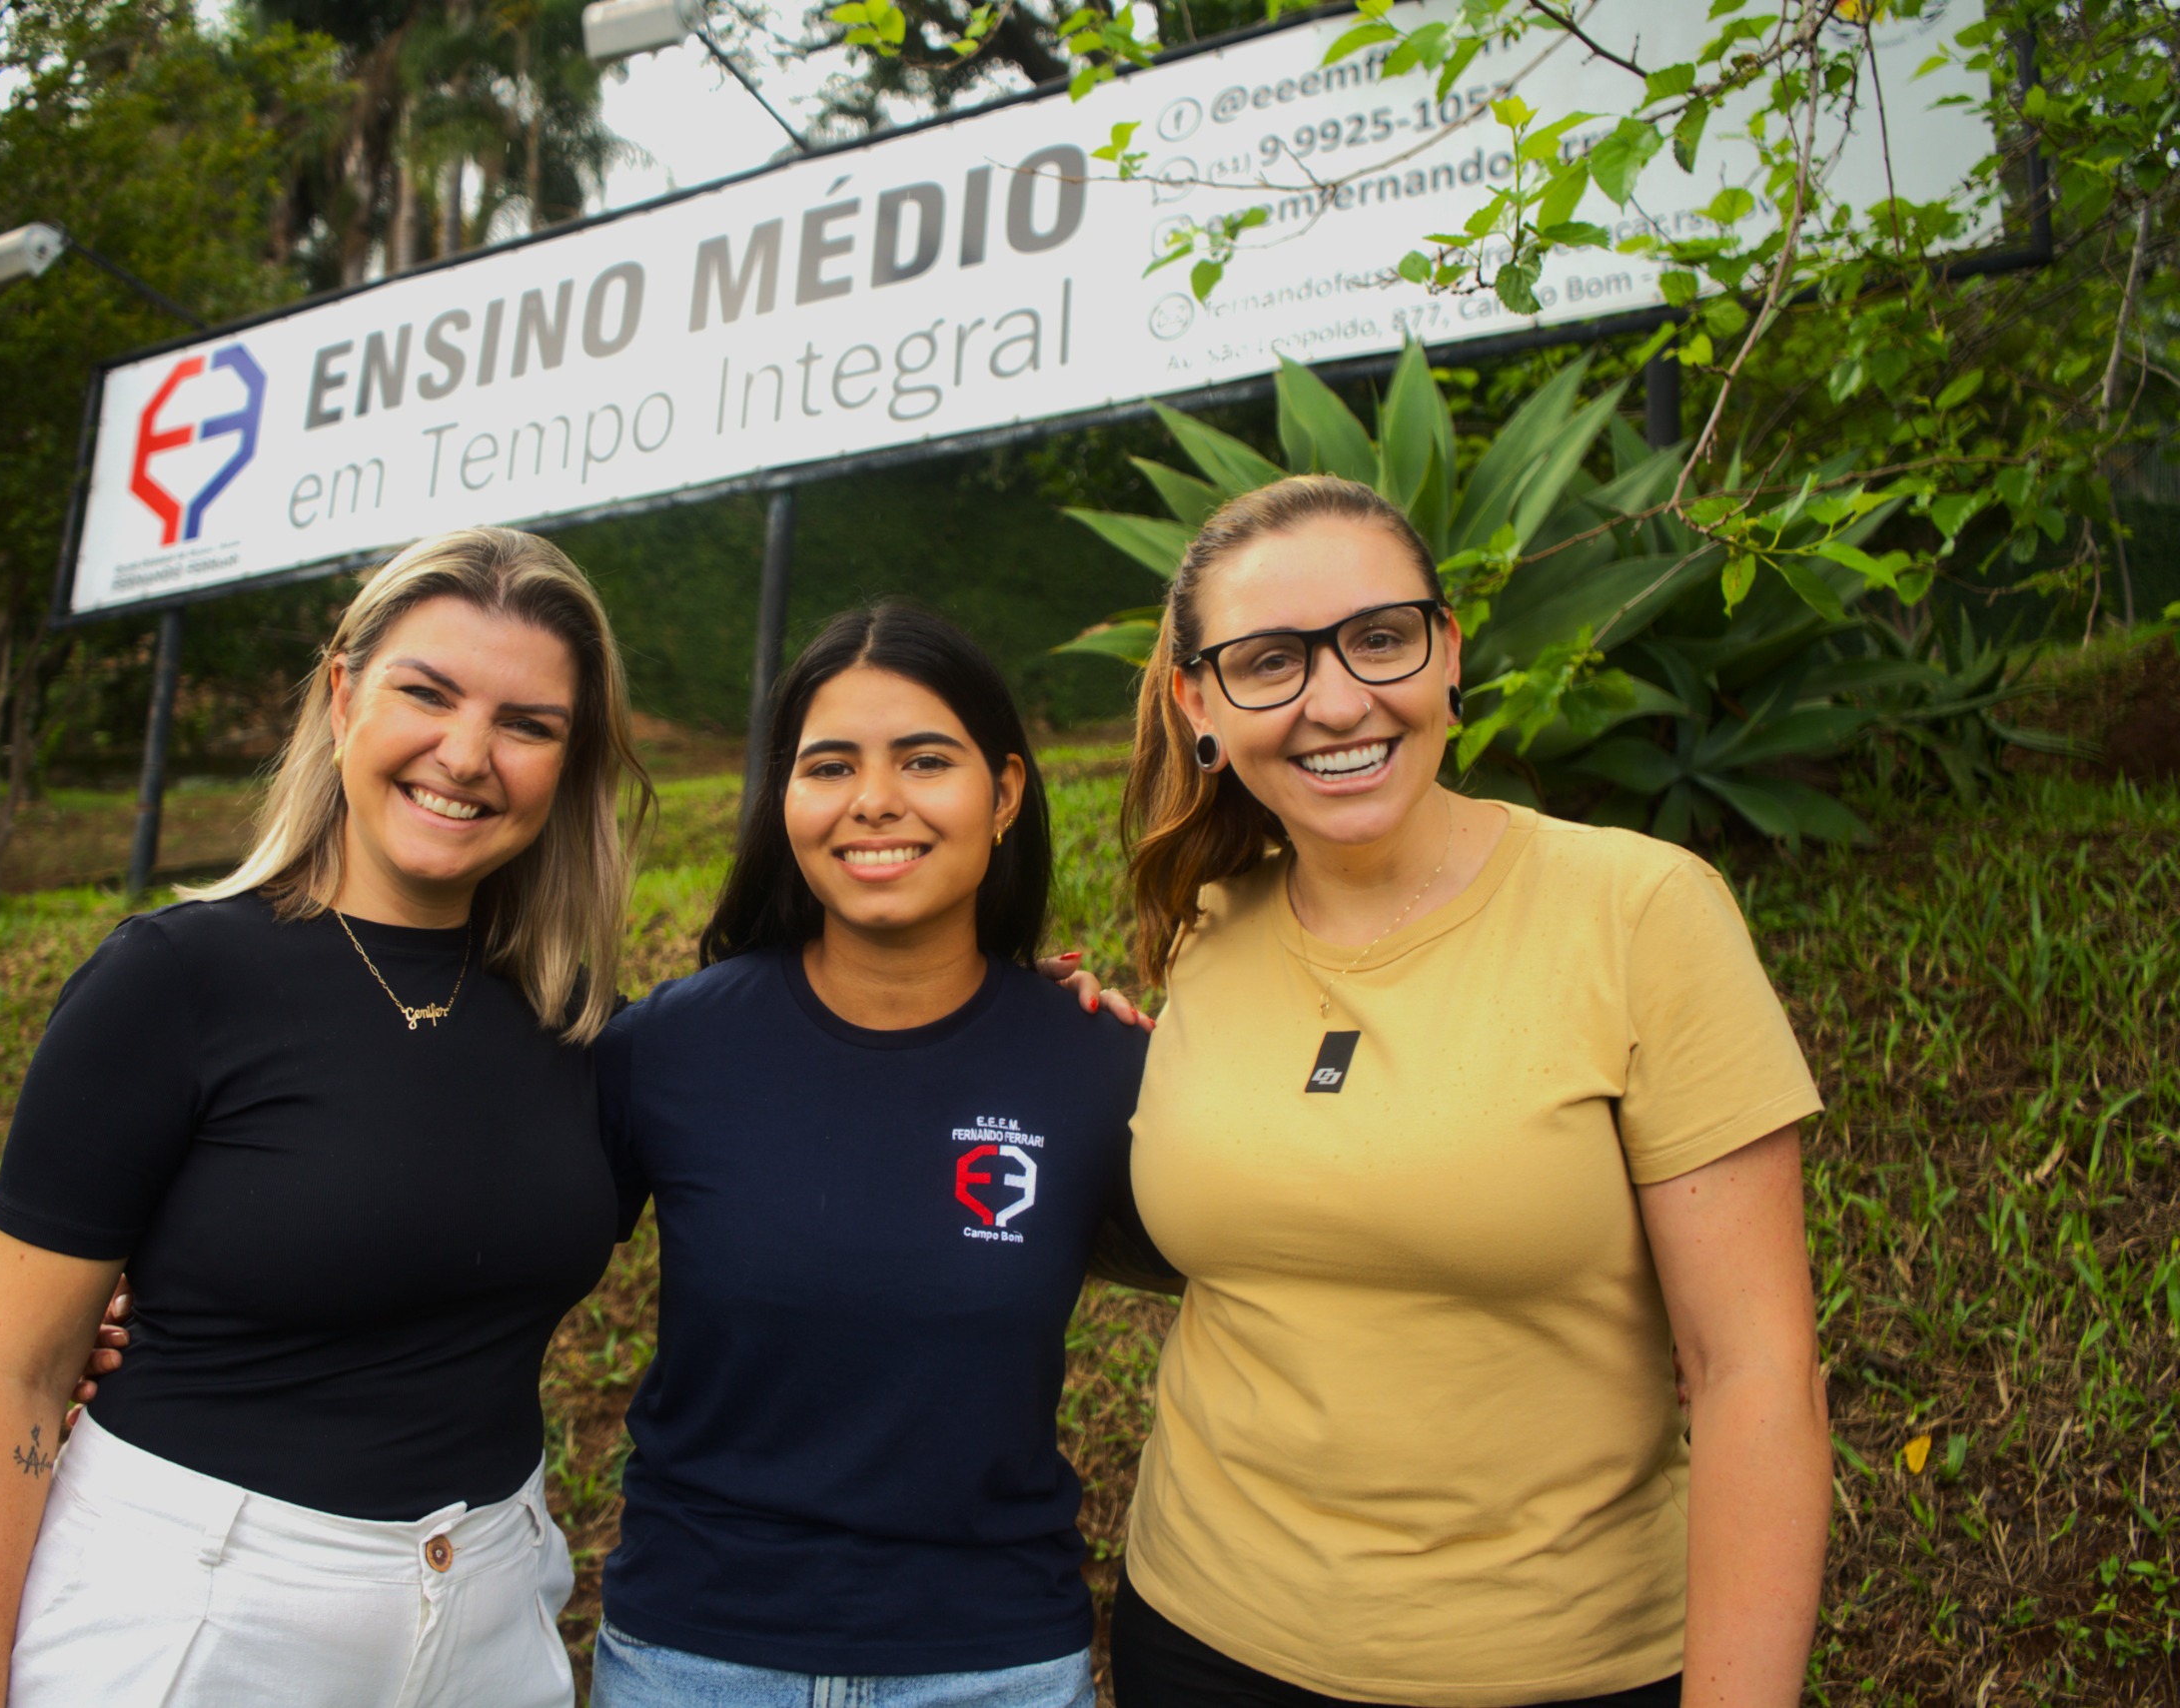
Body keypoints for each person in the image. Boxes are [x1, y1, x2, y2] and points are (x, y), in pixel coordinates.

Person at [1110, 475, 1832, 1708]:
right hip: (1197, 1636)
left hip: (1557, 1668)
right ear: (1200, 706)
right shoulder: (1202, 928)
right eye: (1269, 661)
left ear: (1447, 653)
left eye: (1378, 639)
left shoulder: (1639, 913)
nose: (1337, 700)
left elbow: (1753, 1369)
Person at [0, 528, 645, 1708]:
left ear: (570, 762)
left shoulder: (578, 1025)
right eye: (428, 693)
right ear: (342, 692)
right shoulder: (172, 979)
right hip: (197, 1612)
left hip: (492, 1618)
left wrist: (1009, 1002)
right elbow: (15, 1374)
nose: (466, 755)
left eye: (527, 724)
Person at [586, 604, 1161, 1708]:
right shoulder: (666, 1049)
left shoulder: (1096, 1063)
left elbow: (1248, 1265)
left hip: (991, 1662)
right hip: (693, 1657)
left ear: (1003, 793)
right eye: (829, 765)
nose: (874, 800)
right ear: (783, 800)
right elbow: (489, 1250)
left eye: (924, 760)